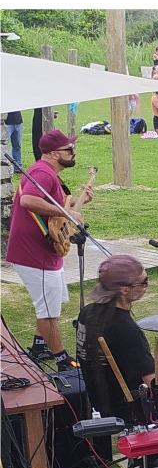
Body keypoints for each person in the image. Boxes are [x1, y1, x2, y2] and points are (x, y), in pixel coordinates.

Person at [75, 255, 158, 455]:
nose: (147, 285)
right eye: (143, 282)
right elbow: (154, 382)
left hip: (104, 402)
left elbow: (107, 355)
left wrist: (145, 357)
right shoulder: (125, 328)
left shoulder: (88, 313)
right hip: (137, 410)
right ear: (124, 290)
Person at [5, 130, 90, 371]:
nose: (74, 153)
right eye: (69, 149)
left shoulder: (48, 173)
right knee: (49, 310)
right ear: (54, 153)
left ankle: (39, 346)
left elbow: (56, 203)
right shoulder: (42, 172)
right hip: (33, 253)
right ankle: (63, 360)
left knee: (48, 303)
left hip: (44, 250)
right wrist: (67, 213)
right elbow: (28, 201)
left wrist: (79, 202)